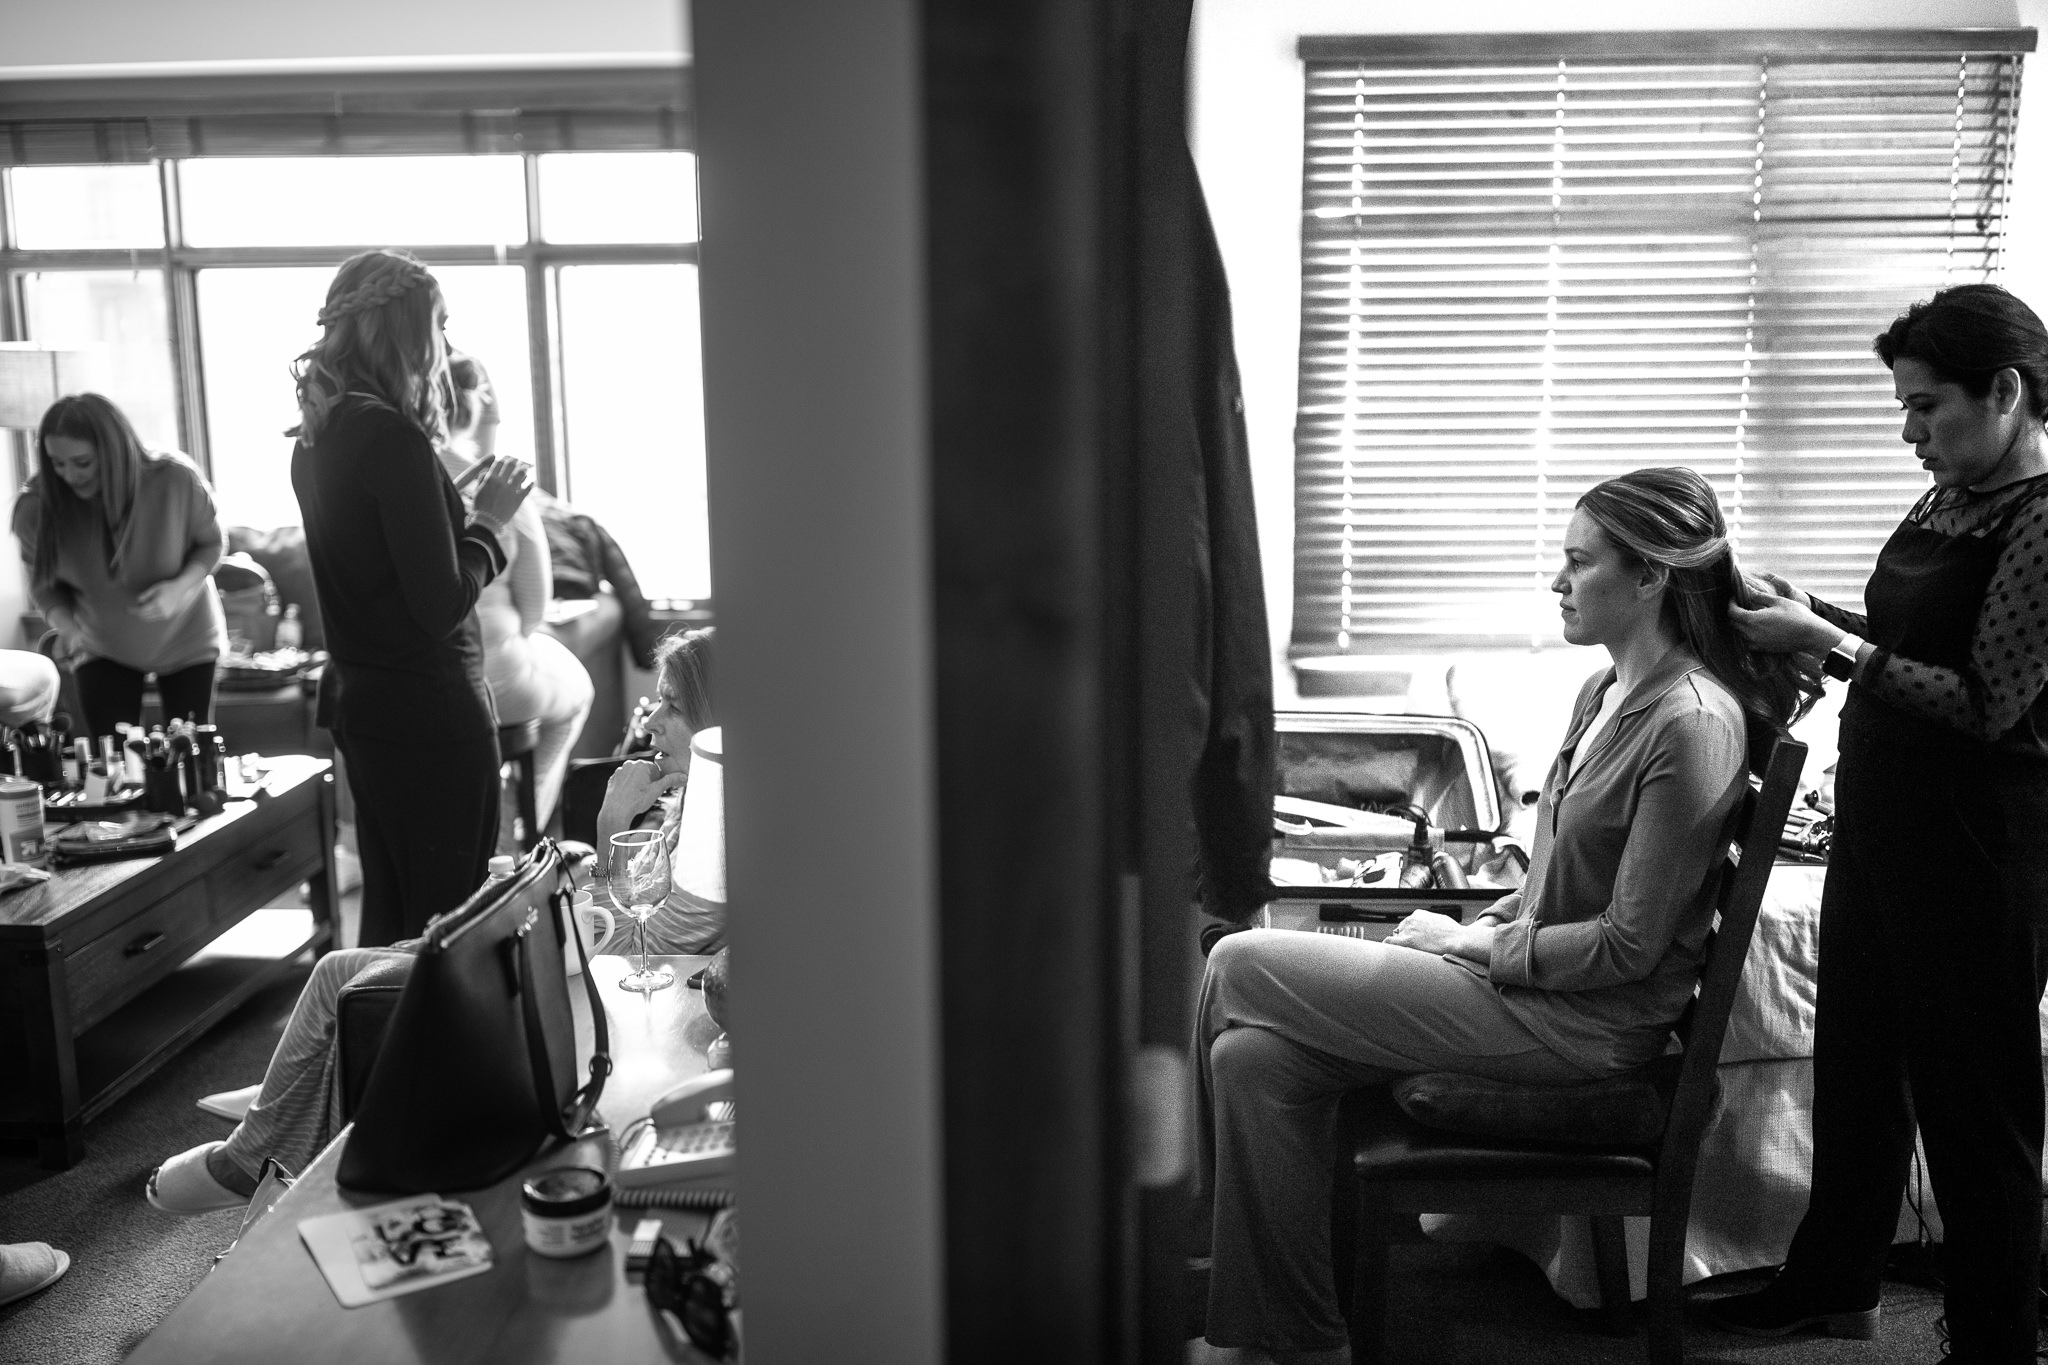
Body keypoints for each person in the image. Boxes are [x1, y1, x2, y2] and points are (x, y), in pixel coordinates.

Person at [1193, 467, 1813, 1365]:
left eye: (1577, 562)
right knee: (1251, 1056)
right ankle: (1294, 1338)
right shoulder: (1602, 695)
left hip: (1582, 1026)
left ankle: (1171, 1257)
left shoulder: (1690, 723)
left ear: (1650, 578)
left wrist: (1474, 943)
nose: (1557, 582)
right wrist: (1484, 929)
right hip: (1525, 991)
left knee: (1239, 962)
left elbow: (1630, 947)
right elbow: (1553, 876)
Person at [1710, 283, 2048, 1364]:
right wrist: (1809, 614)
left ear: (2005, 391)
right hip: (1883, 820)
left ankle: (1991, 1340)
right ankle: (1832, 1280)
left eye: (1924, 407)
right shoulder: (1944, 501)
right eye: (1901, 408)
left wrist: (1834, 645)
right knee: (1853, 1063)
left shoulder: (2042, 522)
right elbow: (1903, 636)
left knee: (1974, 1107)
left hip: (1978, 846)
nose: (1908, 431)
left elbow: (1987, 702)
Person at [291, 248, 534, 947]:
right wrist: (488, 523)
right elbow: (440, 604)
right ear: (403, 329)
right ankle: (436, 1058)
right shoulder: (391, 437)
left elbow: (371, 559)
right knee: (449, 926)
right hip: (430, 713)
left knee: (393, 910)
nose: (446, 343)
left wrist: (442, 509)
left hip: (364, 706)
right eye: (440, 323)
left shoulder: (320, 434)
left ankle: (379, 1052)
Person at [439, 355, 594, 849]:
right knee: (576, 693)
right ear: (479, 405)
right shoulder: (500, 487)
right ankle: (521, 832)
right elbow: (533, 608)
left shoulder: (402, 472)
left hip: (422, 672)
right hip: (493, 676)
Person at [11, 394, 226, 739]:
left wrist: (179, 588)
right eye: (57, 463)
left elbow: (212, 544)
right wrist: (66, 626)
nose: (69, 475)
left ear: (113, 452)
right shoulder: (36, 509)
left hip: (188, 637)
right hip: (100, 645)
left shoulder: (176, 479)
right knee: (113, 765)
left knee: (190, 755)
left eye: (82, 462)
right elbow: (43, 586)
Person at [590, 627, 724, 954]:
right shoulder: (695, 796)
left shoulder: (716, 838)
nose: (650, 722)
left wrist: (611, 826)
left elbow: (623, 961)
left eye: (674, 708)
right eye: (659, 699)